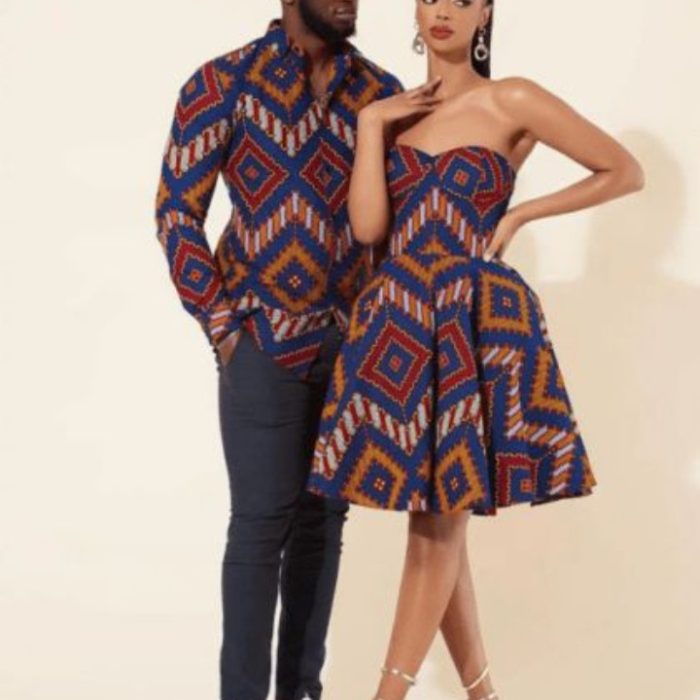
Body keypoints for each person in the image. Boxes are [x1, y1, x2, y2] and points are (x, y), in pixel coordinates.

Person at [306, 1, 645, 699]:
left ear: (485, 11)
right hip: (399, 325)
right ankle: (484, 694)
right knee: (438, 519)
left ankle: (385, 696)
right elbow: (368, 229)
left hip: (474, 321)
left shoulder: (511, 98)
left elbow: (623, 170)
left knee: (435, 527)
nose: (445, 11)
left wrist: (520, 214)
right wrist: (371, 126)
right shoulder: (389, 113)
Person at [153, 2, 404, 699]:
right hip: (261, 342)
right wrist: (222, 325)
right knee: (261, 526)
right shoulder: (223, 82)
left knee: (324, 525)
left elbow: (399, 219)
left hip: (351, 345)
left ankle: (302, 692)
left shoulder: (380, 92)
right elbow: (176, 211)